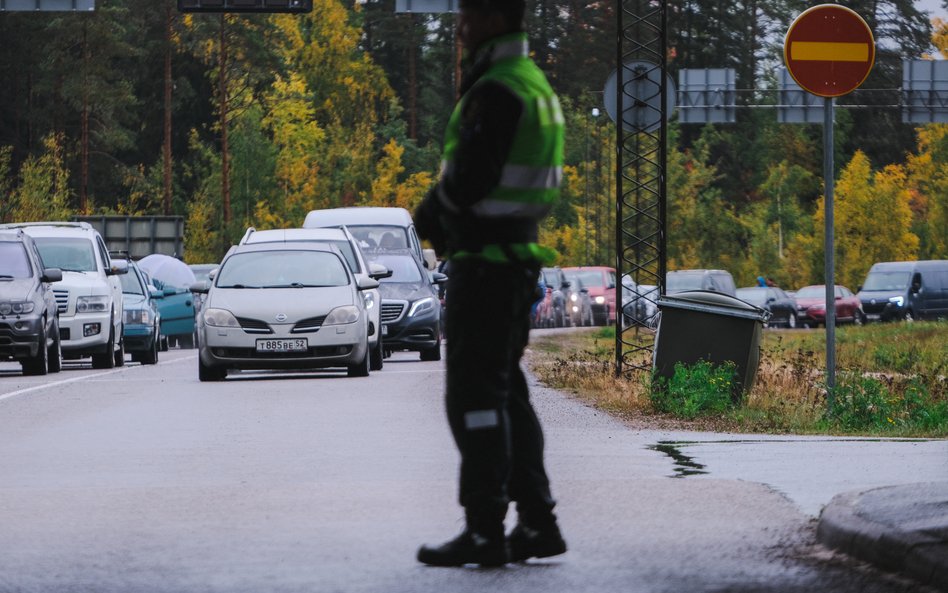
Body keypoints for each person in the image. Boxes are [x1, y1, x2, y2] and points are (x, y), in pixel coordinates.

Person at [413, 0, 567, 567]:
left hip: (486, 262)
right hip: (513, 259)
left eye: (472, 15)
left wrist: (428, 219)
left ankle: (484, 530)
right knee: (506, 394)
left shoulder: (498, 89)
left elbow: (467, 179)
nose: (461, 26)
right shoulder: (532, 83)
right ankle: (538, 521)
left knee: (474, 399)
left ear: (498, 19)